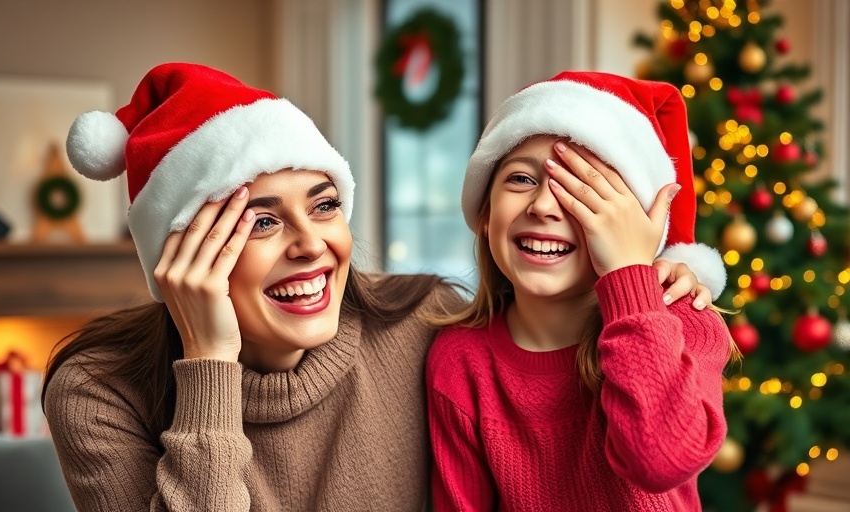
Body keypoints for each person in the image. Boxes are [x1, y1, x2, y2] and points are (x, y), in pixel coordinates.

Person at [42, 63, 712, 512]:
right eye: (261, 219)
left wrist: (643, 281)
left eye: (325, 204)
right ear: (179, 252)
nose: (310, 243)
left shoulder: (423, 323)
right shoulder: (98, 392)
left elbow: (653, 443)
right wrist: (210, 365)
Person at [426, 71, 733, 511]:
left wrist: (629, 270)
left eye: (584, 189)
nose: (545, 205)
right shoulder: (460, 360)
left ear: (637, 227)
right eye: (521, 179)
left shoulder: (684, 318)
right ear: (485, 213)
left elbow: (661, 460)